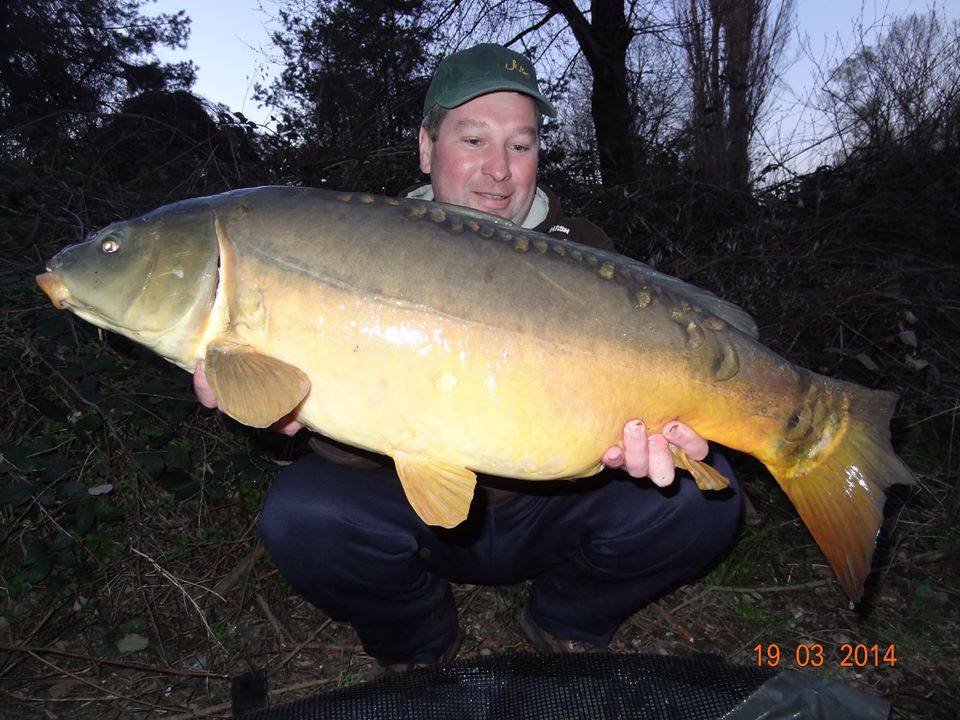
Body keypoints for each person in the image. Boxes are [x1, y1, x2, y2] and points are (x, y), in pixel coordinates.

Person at [194, 44, 741, 671]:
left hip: (552, 507)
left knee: (706, 498)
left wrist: (653, 442)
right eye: (474, 140)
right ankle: (419, 640)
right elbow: (332, 427)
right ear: (427, 148)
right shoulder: (355, 250)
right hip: (409, 508)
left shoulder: (587, 256)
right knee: (301, 514)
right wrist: (282, 416)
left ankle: (567, 616)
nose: (499, 171)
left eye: (520, 145)